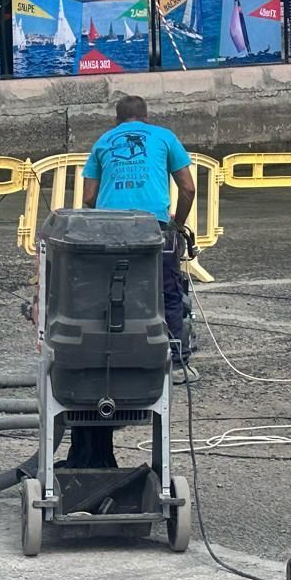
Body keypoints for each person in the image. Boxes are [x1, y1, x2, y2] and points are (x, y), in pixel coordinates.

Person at [82, 95, 197, 373]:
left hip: (110, 227)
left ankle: (112, 358)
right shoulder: (164, 136)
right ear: (146, 117)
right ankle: (178, 363)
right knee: (167, 291)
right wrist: (177, 225)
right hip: (153, 225)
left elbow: (88, 197)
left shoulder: (103, 141)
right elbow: (188, 189)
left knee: (111, 290)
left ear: (117, 121)